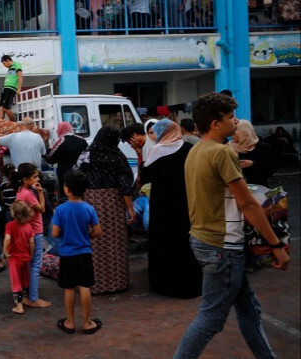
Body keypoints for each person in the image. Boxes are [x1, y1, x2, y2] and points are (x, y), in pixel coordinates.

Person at [173, 93, 290, 358]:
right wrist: (276, 245)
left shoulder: (195, 151)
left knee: (250, 310)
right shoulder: (222, 152)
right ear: (216, 124)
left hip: (205, 241)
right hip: (222, 246)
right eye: (230, 118)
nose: (236, 122)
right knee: (210, 319)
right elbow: (248, 204)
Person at [140, 119, 201, 299]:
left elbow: (146, 174)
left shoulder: (158, 151)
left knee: (164, 241)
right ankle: (190, 283)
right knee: (184, 241)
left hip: (163, 205)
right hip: (185, 202)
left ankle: (164, 283)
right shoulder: (189, 149)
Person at [75, 127, 135, 294]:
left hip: (89, 202)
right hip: (112, 204)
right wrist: (130, 208)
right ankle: (116, 282)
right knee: (114, 241)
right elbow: (125, 185)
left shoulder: (87, 154)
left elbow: (75, 175)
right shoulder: (117, 157)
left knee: (93, 241)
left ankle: (93, 283)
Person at [52, 170, 102, 334]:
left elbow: (54, 233)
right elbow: (97, 231)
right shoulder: (89, 208)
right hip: (84, 253)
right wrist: (86, 235)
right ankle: (87, 322)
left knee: (69, 288)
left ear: (67, 189)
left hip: (67, 254)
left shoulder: (60, 210)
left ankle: (70, 322)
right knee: (85, 286)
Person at [15, 163, 52, 308]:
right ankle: (33, 298)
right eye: (35, 176)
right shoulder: (28, 194)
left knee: (29, 264)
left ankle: (27, 293)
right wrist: (41, 193)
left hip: (26, 232)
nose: (38, 179)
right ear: (25, 179)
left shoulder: (21, 191)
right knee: (35, 265)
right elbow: (42, 209)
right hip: (34, 232)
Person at [3, 201, 34, 314]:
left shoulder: (10, 225)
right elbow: (31, 243)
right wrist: (31, 254)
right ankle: (26, 298)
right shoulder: (29, 227)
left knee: (15, 282)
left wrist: (5, 252)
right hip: (25, 258)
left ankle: (19, 306)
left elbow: (7, 239)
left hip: (14, 259)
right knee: (25, 279)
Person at [44, 122, 88, 199]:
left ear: (62, 129)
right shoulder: (82, 140)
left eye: (58, 129)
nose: (57, 131)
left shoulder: (61, 141)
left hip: (65, 174)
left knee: (66, 195)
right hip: (80, 173)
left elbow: (51, 158)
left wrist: (45, 155)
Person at [228, 120, 277, 187]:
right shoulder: (228, 148)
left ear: (245, 132)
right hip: (235, 191)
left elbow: (271, 169)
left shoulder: (263, 148)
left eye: (236, 130)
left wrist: (253, 164)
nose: (232, 133)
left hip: (259, 189)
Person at [0, 55, 23, 121]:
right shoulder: (10, 68)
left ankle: (14, 123)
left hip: (11, 88)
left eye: (4, 63)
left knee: (5, 108)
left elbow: (20, 76)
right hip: (5, 88)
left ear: (8, 60)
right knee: (0, 107)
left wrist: (19, 89)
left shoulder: (16, 64)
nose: (4, 65)